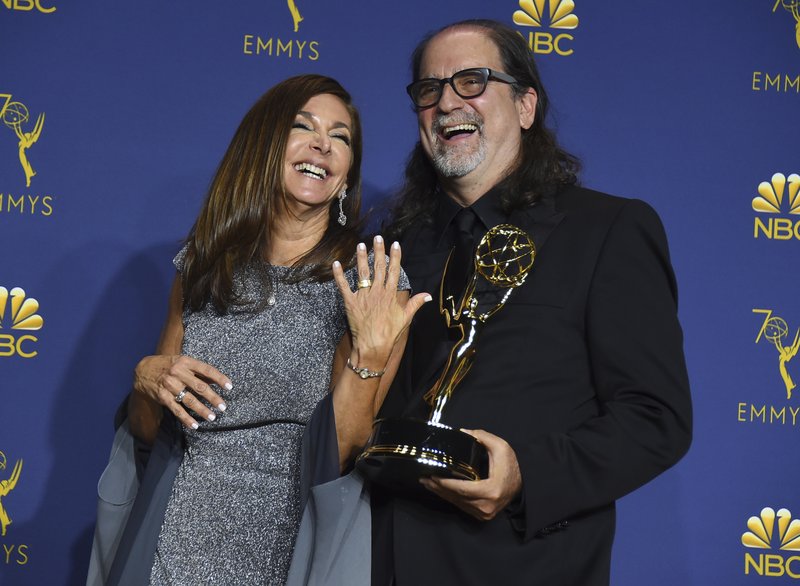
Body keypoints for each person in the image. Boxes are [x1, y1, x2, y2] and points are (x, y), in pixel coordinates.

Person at [369, 19, 693, 585]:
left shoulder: (607, 230)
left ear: (525, 106)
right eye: (430, 89)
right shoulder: (393, 248)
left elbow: (655, 418)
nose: (447, 102)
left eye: (471, 81)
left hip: (522, 564)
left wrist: (524, 475)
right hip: (380, 562)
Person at [90, 74, 429, 586]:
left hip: (290, 549)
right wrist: (146, 376)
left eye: (341, 137)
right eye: (304, 126)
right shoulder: (203, 264)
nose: (323, 144)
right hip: (173, 539)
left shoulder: (370, 280)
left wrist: (372, 354)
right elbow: (146, 430)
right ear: (264, 144)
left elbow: (344, 450)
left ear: (346, 173)